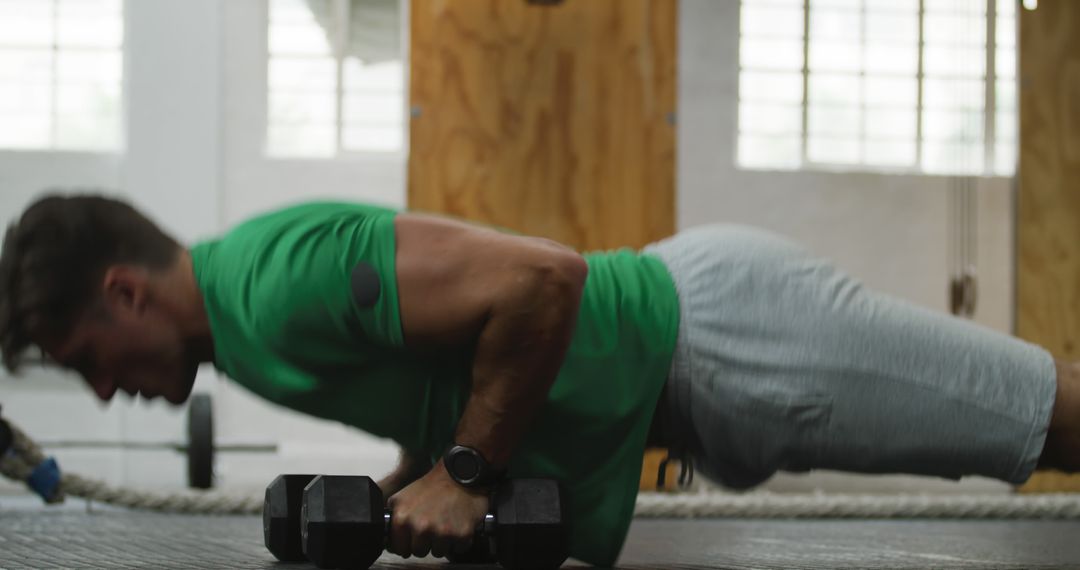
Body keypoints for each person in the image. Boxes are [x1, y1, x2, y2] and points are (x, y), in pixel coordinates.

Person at [0, 193, 1075, 566]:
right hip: (694, 378)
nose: (102, 394)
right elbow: (446, 374)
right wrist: (406, 486)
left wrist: (466, 471)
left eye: (89, 361)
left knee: (1043, 419)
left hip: (727, 334)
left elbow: (541, 282)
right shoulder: (242, 327)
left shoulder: (274, 283)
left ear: (126, 293)